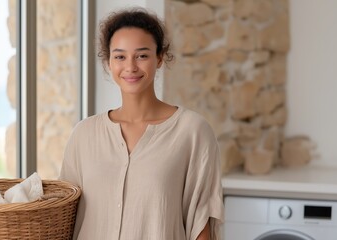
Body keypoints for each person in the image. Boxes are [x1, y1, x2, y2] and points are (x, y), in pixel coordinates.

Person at [60, 7, 224, 240]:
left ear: (159, 58)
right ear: (108, 62)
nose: (130, 66)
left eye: (142, 55)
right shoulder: (84, 134)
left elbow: (201, 225)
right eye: (120, 56)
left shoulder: (192, 131)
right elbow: (64, 214)